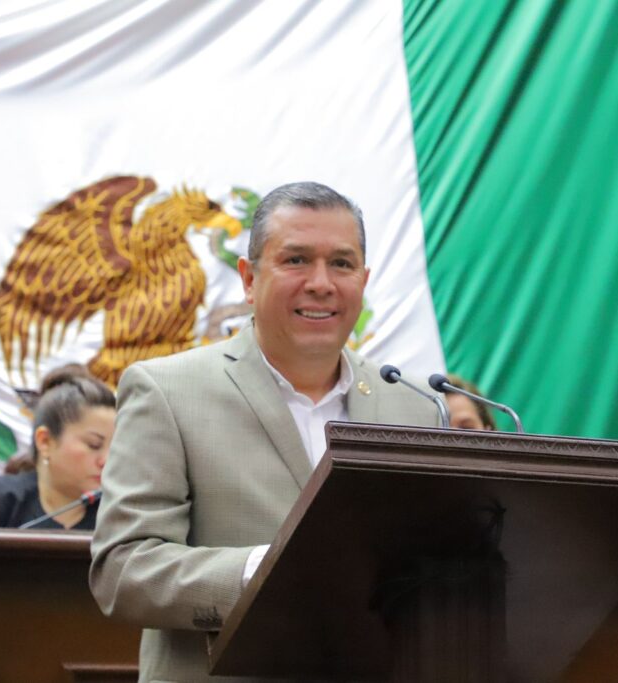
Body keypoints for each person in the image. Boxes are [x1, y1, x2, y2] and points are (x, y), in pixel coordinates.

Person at [90, 181, 441, 682]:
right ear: (249, 279)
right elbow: (124, 571)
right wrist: (263, 571)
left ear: (363, 281)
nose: (321, 283)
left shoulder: (415, 406)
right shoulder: (167, 391)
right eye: (296, 260)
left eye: (341, 264)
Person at [0, 368, 115, 530]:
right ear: (45, 441)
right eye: (94, 445)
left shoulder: (116, 514)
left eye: (114, 448)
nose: (106, 461)